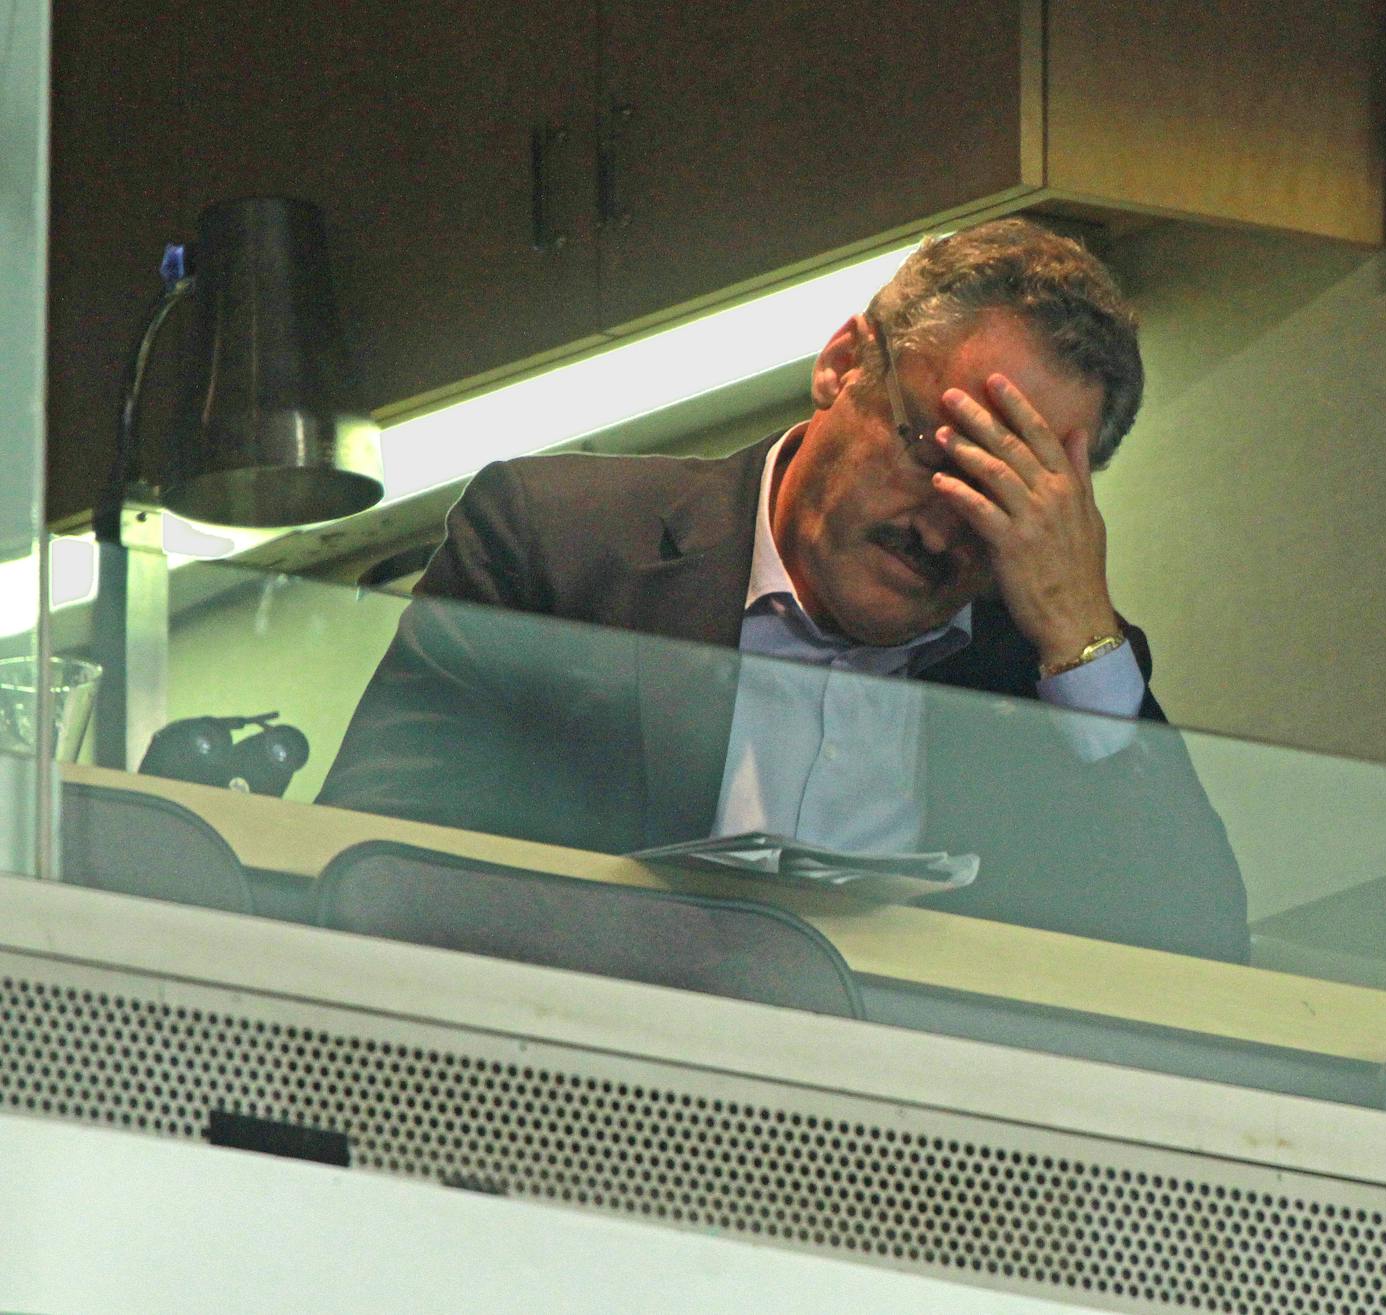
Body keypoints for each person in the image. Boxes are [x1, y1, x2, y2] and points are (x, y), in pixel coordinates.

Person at [318, 220, 1250, 963]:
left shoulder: (1043, 669)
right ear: (845, 363)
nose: (939, 527)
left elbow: (1200, 969)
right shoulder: (558, 549)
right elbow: (359, 876)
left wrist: (1084, 642)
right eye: (933, 449)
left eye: (999, 496)